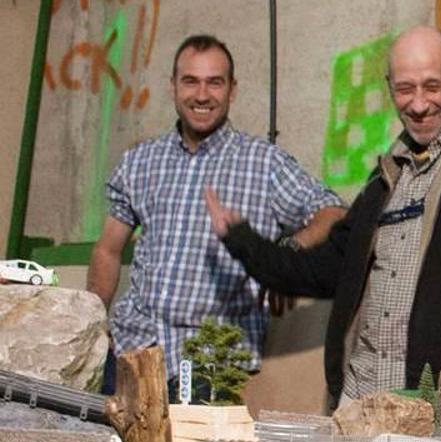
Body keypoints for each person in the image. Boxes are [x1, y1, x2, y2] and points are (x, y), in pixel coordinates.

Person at [206, 25, 441, 409]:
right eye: (405, 89)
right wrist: (241, 240)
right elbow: (324, 269)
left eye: (432, 86)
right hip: (359, 404)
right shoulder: (383, 181)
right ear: (389, 86)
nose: (419, 104)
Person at [88, 34, 345, 382]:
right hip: (132, 349)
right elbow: (107, 249)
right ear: (173, 86)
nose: (202, 95)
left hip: (211, 360)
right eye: (190, 81)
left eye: (215, 83)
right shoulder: (139, 162)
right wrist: (90, 328)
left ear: (232, 90)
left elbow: (333, 212)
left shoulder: (263, 163)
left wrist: (283, 258)